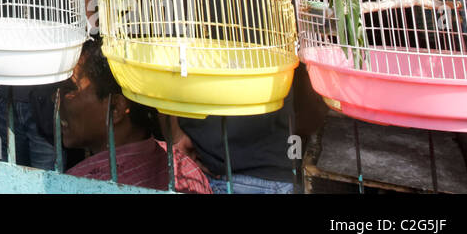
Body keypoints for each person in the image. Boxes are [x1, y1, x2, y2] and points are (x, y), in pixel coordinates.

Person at [61, 37, 213, 193]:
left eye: (69, 89)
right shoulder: (186, 169)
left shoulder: (76, 185)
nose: (56, 99)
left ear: (116, 107)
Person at [167, 64, 326, 194]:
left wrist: (176, 136)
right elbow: (312, 114)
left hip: (200, 164)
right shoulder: (286, 29)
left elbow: (164, 76)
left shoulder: (185, 28)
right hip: (272, 169)